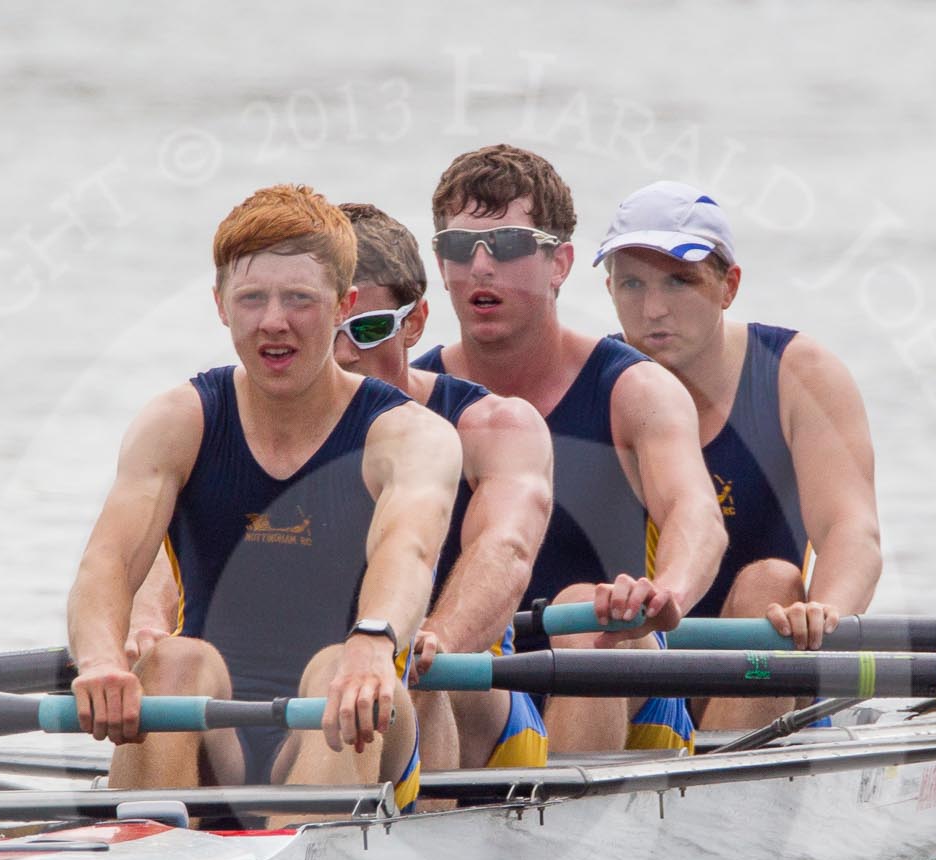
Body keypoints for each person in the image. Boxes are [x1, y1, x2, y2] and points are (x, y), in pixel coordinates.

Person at [65, 185, 461, 813]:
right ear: (221, 306)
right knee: (171, 662)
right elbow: (106, 564)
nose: (273, 321)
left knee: (339, 672)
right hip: (212, 725)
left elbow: (407, 549)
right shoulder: (179, 420)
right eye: (252, 298)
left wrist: (374, 642)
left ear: (342, 306)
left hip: (354, 709)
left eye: (300, 299)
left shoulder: (410, 435)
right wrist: (101, 661)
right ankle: (144, 854)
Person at [411, 145, 726, 754]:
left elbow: (697, 515)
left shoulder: (634, 390)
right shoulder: (411, 403)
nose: (479, 267)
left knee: (585, 608)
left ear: (559, 264)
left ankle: (568, 829)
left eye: (505, 246)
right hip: (480, 682)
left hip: (615, 663)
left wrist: (669, 594)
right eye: (458, 247)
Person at [597, 181, 881, 730]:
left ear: (728, 286)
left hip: (767, 666)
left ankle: (722, 773)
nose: (653, 309)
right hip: (634, 671)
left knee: (771, 583)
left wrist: (825, 612)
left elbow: (854, 532)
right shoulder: (594, 381)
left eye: (680, 282)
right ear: (608, 288)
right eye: (632, 284)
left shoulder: (799, 374)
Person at [330, 202, 554, 772]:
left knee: (408, 664)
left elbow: (506, 548)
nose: (343, 355)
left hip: (468, 696)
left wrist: (440, 634)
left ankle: (421, 843)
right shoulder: (259, 425)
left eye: (369, 329)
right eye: (325, 331)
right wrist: (146, 627)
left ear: (415, 322)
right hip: (336, 681)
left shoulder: (495, 425)